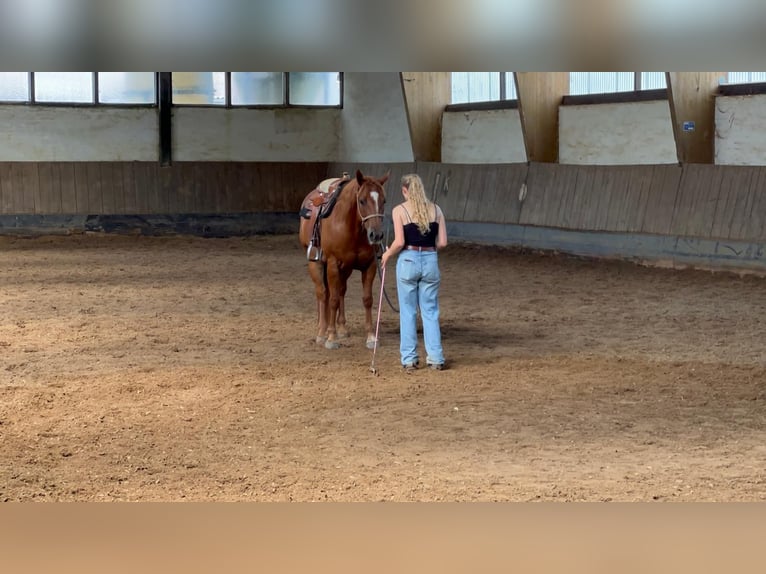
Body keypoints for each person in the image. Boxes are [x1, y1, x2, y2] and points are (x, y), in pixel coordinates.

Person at [380, 173, 448, 372]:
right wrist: (427, 248)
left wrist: (387, 255)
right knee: (430, 311)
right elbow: (442, 242)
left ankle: (409, 359)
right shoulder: (436, 209)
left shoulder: (399, 210)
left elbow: (400, 242)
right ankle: (435, 357)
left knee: (408, 312)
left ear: (404, 190)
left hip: (408, 260)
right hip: (430, 261)